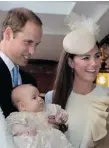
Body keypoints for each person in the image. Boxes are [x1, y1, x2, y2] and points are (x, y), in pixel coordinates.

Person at [45, 14, 109, 148]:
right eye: (86, 58)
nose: (94, 63)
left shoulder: (107, 95)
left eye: (97, 56)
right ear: (71, 62)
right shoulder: (52, 97)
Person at [0, 7, 43, 117]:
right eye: (28, 42)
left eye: (36, 44)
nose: (32, 52)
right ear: (8, 34)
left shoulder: (29, 80)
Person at [6, 84, 73, 148]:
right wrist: (24, 129)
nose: (40, 99)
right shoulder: (19, 116)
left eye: (39, 96)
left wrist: (61, 116)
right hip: (36, 141)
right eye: (34, 97)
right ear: (22, 106)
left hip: (54, 139)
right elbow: (13, 125)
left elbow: (60, 111)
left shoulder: (47, 108)